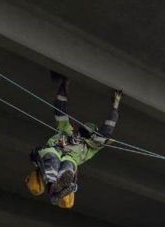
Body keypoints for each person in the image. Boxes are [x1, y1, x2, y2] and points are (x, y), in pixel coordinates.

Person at [26, 73, 123, 209]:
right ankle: (56, 187)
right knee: (64, 165)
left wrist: (115, 106)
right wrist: (64, 86)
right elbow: (60, 109)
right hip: (63, 156)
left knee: (57, 160)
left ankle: (54, 186)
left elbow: (106, 131)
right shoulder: (67, 129)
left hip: (59, 153)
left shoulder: (92, 145)